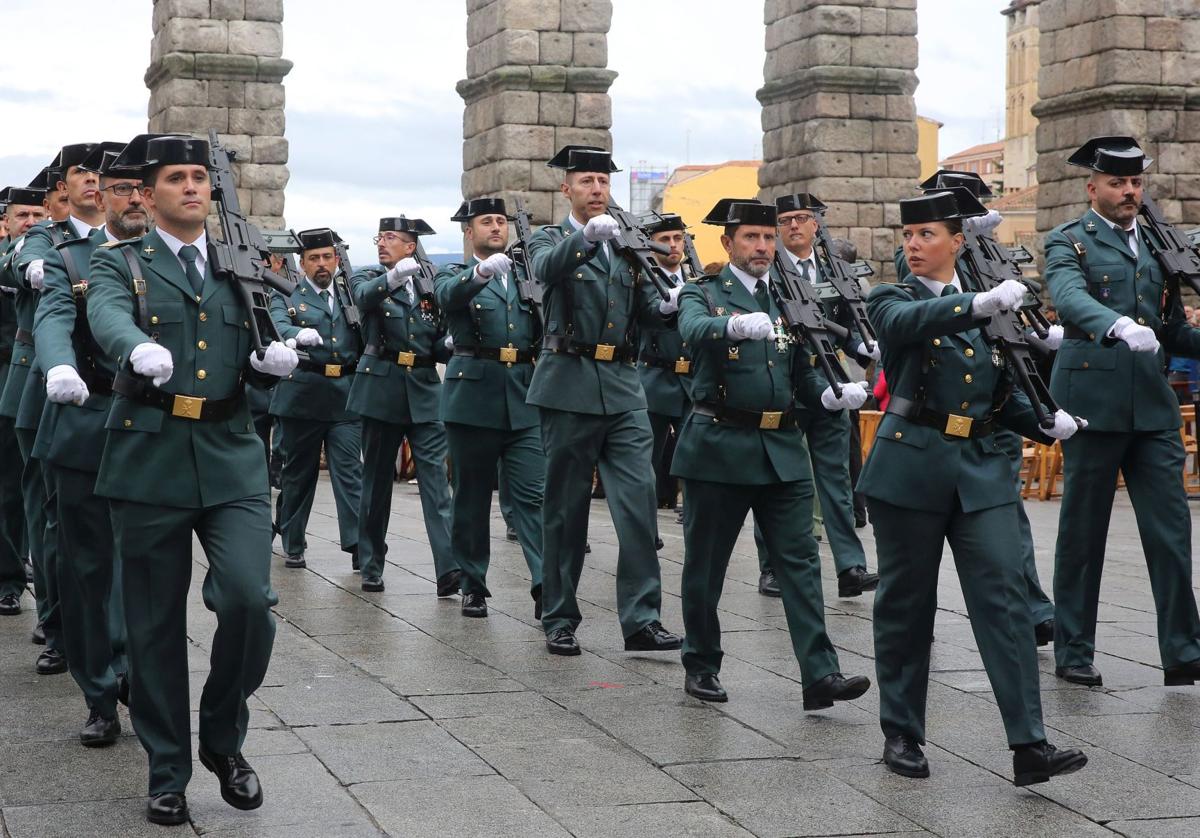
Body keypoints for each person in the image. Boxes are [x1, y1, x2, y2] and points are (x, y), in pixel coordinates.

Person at [86, 134, 299, 825]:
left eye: (199, 177)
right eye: (175, 178)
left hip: (231, 448)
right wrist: (134, 346)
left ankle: (223, 740)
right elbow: (106, 314)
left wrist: (280, 352)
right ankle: (168, 767)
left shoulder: (240, 260)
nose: (191, 187)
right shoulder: (123, 260)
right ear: (147, 195)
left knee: (247, 599)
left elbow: (275, 322)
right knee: (151, 627)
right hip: (149, 454)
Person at [860, 188, 1088, 785]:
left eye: (927, 235)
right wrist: (976, 303)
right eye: (908, 236)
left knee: (1007, 604)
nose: (913, 245)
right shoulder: (893, 297)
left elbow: (999, 391)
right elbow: (902, 325)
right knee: (907, 608)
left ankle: (1029, 744)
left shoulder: (991, 306)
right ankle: (902, 733)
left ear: (957, 242)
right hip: (910, 468)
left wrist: (1044, 420)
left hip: (980, 471)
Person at [673, 197, 872, 706]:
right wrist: (731, 327)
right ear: (728, 243)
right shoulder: (705, 292)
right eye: (751, 238)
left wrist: (828, 394)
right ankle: (701, 663)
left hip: (781, 446)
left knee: (801, 562)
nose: (762, 246)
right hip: (719, 445)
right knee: (706, 564)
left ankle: (820, 674)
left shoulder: (788, 297)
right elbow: (692, 330)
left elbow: (800, 368)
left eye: (768, 238)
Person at [1046, 136, 1200, 687]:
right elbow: (1066, 295)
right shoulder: (1070, 241)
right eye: (1117, 183)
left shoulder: (1161, 244)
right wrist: (1114, 324)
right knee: (1083, 534)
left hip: (1153, 407)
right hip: (1092, 404)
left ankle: (1183, 650)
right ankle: (1074, 650)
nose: (1129, 191)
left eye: (1135, 182)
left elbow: (1170, 327)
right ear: (1093, 188)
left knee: (1171, 532)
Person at [527, 144, 683, 656]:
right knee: (565, 509)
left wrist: (672, 303)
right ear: (566, 189)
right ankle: (559, 615)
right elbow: (545, 269)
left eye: (603, 182)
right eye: (587, 181)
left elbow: (646, 311)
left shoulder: (626, 244)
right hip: (568, 381)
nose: (597, 190)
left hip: (621, 386)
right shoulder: (549, 237)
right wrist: (586, 242)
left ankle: (641, 618)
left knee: (639, 503)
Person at [896, 169, 1059, 646]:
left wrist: (1040, 336)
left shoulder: (989, 250)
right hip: (939, 407)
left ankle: (1030, 606)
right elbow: (926, 299)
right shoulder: (925, 249)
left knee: (1005, 512)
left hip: (996, 398)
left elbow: (1012, 311)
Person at [31, 143, 141, 747]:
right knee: (88, 567)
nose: (115, 193)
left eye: (127, 186)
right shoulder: (67, 253)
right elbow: (51, 315)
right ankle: (99, 688)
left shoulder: (159, 257)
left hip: (149, 427)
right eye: (108, 184)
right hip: (84, 417)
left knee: (143, 565)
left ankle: (133, 673)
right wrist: (57, 366)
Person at [760, 193, 878, 599]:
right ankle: (773, 567)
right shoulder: (767, 268)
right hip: (783, 383)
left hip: (832, 382)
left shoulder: (834, 269)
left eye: (802, 219)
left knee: (836, 478)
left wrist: (866, 348)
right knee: (777, 480)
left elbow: (850, 322)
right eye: (787, 219)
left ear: (815, 224)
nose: (794, 226)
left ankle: (851, 565)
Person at [434, 197, 544, 618]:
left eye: (501, 221)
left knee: (535, 496)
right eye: (486, 222)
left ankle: (544, 584)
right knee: (472, 498)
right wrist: (479, 273)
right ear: (469, 231)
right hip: (472, 398)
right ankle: (473, 583)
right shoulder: (455, 271)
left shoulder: (525, 276)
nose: (496, 228)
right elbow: (447, 295)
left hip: (523, 396)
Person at [348, 216, 458, 595]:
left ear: (411, 246)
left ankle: (448, 569)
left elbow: (440, 332)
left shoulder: (430, 287)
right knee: (376, 485)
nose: (382, 243)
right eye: (380, 236)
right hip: (382, 389)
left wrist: (448, 344)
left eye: (391, 238)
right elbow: (363, 299)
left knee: (436, 485)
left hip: (426, 391)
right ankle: (371, 562)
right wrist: (392, 278)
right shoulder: (367, 278)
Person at [269, 227, 363, 571]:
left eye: (327, 257)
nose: (322, 265)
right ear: (303, 263)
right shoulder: (286, 294)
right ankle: (293, 542)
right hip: (303, 393)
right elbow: (279, 325)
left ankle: (357, 544)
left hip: (345, 397)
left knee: (350, 473)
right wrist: (297, 335)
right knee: (298, 473)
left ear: (336, 260)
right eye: (314, 259)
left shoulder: (350, 294)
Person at [0, 185, 48, 617]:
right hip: (4, 379)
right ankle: (7, 579)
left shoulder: (52, 257)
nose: (30, 223)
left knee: (30, 480)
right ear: (6, 222)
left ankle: (26, 559)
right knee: (6, 487)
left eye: (38, 214)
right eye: (22, 216)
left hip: (39, 379)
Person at [637, 212, 693, 544]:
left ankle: (697, 518)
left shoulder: (696, 277)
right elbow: (647, 316)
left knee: (697, 456)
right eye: (666, 239)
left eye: (677, 238)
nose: (673, 246)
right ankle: (646, 527)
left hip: (693, 381)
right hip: (655, 377)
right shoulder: (643, 280)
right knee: (647, 460)